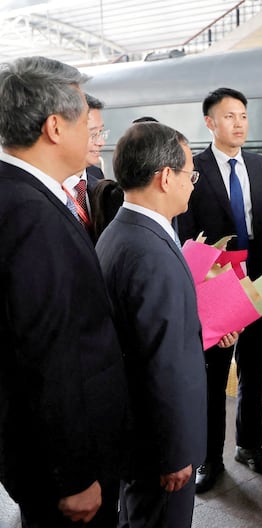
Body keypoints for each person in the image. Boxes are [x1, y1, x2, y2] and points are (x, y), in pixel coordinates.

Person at [0, 55, 128, 527]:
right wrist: (74, 476)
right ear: (55, 126)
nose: (94, 133)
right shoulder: (32, 216)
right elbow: (47, 352)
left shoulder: (18, 195)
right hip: (66, 469)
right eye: (84, 120)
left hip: (45, 454)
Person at [96, 122, 236, 527]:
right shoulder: (150, 251)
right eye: (190, 173)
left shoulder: (122, 232)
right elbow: (161, 363)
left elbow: (148, 335)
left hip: (137, 434)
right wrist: (175, 453)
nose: (194, 184)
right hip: (159, 447)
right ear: (164, 177)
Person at [178, 87, 262, 493]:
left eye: (243, 116)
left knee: (254, 370)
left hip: (255, 286)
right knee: (214, 377)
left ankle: (250, 445)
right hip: (215, 288)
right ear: (209, 123)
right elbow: (187, 233)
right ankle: (209, 457)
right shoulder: (195, 169)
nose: (238, 123)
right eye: (229, 116)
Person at [62, 93, 107, 241]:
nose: (101, 142)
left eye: (101, 132)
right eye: (93, 134)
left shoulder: (98, 179)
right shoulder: (45, 188)